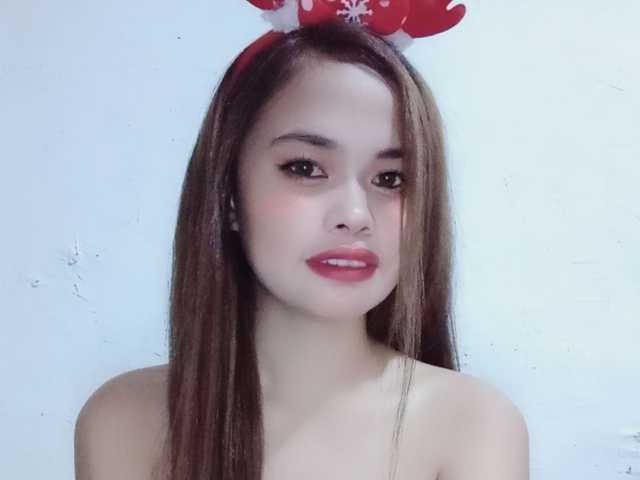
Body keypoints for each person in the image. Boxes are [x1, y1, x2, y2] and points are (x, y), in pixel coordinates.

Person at [74, 3, 529, 479]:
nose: (355, 216)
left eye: (391, 179)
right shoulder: (125, 422)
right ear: (228, 195)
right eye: (305, 168)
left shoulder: (474, 426)